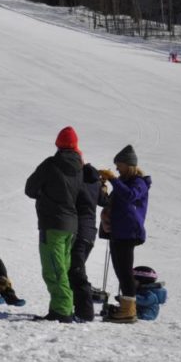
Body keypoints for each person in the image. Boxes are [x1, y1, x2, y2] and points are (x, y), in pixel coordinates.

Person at [25, 126, 84, 323]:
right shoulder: (79, 168)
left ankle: (62, 310)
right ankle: (59, 308)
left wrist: (44, 194)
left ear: (58, 143)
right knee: (62, 268)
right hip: (71, 225)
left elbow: (30, 188)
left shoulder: (51, 164)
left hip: (52, 223)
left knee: (53, 269)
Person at [99, 145, 152, 324]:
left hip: (128, 231)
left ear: (129, 165)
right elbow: (113, 201)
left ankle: (129, 309)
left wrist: (114, 180)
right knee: (120, 269)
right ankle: (126, 307)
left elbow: (130, 196)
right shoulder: (123, 181)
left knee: (125, 270)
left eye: (119, 165)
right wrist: (104, 187)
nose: (116, 169)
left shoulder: (139, 183)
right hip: (118, 231)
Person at [70, 157, 109, 321]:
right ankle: (79, 309)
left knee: (76, 272)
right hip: (89, 234)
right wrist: (104, 187)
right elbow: (104, 201)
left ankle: (85, 312)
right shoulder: (95, 183)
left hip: (79, 233)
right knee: (74, 270)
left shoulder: (79, 183)